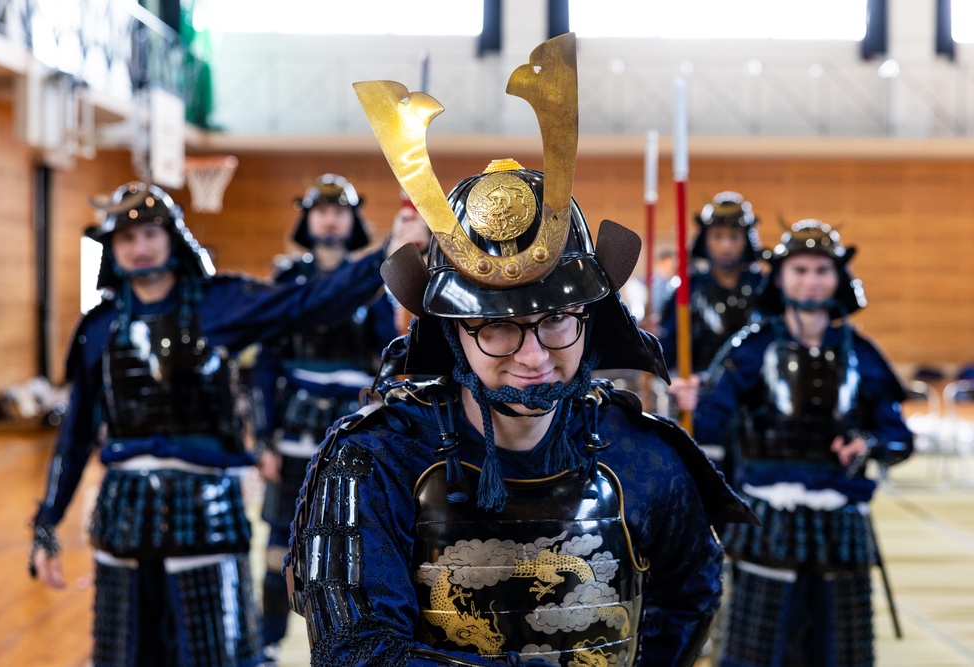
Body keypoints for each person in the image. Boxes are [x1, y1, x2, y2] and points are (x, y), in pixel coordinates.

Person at [286, 33, 756, 666]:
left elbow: (691, 592)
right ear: (452, 334)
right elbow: (356, 650)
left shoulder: (645, 456)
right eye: (498, 328)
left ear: (591, 321)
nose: (533, 356)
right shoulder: (374, 462)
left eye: (558, 319)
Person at [27, 181, 427, 667]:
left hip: (205, 507)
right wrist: (47, 522)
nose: (140, 247)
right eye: (127, 238)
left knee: (215, 651)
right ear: (112, 248)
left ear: (172, 237)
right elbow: (75, 434)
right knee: (123, 651)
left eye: (151, 233)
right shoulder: (99, 326)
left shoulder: (221, 303)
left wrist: (386, 254)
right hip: (122, 512)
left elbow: (309, 303)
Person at [677, 220, 914, 667]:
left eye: (821, 270)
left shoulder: (863, 354)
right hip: (767, 522)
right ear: (781, 276)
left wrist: (868, 444)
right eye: (800, 269)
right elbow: (708, 423)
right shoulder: (750, 348)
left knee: (842, 651)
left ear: (839, 278)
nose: (810, 281)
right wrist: (693, 400)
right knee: (757, 650)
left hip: (842, 525)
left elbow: (899, 437)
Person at [254, 174, 413, 661]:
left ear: (352, 219)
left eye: (339, 210)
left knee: (348, 539)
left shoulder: (372, 282)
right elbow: (266, 362)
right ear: (306, 217)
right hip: (294, 427)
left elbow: (388, 353)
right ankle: (266, 639)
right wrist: (263, 438)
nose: (329, 217)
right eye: (320, 209)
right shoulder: (286, 280)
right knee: (278, 542)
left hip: (348, 430)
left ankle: (342, 644)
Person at [658, 191, 766, 376]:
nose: (726, 246)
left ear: (746, 240)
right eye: (717, 236)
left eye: (734, 237)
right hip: (699, 392)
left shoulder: (763, 287)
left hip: (755, 390)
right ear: (705, 239)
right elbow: (667, 351)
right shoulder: (686, 288)